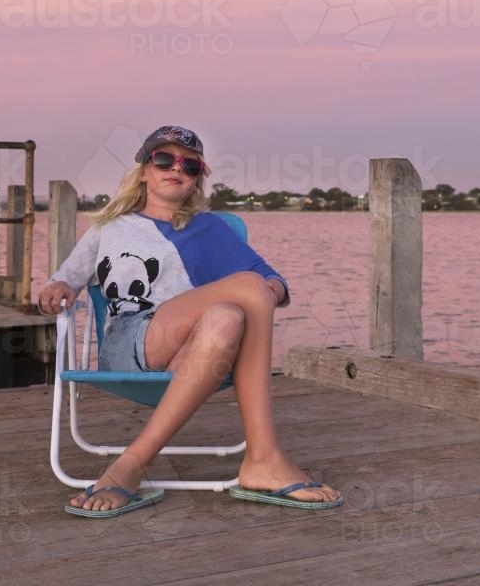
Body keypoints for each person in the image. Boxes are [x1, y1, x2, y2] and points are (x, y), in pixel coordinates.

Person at [38, 125, 344, 516]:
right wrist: (58, 286)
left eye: (191, 164)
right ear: (145, 169)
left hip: (193, 358)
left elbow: (273, 281)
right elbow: (67, 277)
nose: (176, 168)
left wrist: (267, 293)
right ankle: (261, 456)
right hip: (131, 343)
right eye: (164, 159)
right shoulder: (110, 227)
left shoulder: (209, 228)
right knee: (245, 290)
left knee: (228, 316)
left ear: (197, 178)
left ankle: (137, 466)